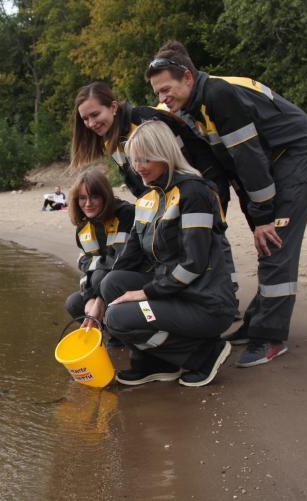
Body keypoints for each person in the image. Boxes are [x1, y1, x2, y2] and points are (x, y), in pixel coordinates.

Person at [146, 40, 307, 367]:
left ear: (187, 76)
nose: (162, 98)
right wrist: (246, 215)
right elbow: (231, 167)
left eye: (166, 89)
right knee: (266, 237)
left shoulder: (217, 96)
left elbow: (249, 159)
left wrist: (263, 218)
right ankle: (257, 320)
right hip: (270, 164)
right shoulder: (192, 106)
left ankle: (270, 337)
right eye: (157, 93)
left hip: (297, 156)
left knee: (274, 242)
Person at [97, 120, 237, 387]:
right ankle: (155, 362)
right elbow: (128, 259)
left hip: (205, 303)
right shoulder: (148, 200)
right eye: (134, 160)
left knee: (118, 318)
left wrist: (146, 293)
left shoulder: (194, 192)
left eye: (146, 159)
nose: (138, 168)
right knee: (110, 284)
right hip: (176, 296)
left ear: (165, 154)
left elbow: (194, 264)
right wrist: (96, 303)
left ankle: (202, 354)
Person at [71, 81, 244, 295]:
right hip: (167, 190)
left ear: (113, 107)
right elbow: (136, 178)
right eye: (85, 119)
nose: (91, 123)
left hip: (203, 180)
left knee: (210, 236)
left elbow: (178, 161)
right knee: (176, 241)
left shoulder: (143, 122)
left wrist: (196, 191)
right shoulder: (111, 140)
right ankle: (183, 288)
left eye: (95, 115)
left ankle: (227, 291)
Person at [64, 169, 135, 330]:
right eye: (82, 198)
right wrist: (89, 297)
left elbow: (120, 260)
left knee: (99, 277)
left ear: (105, 196)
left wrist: (99, 300)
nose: (88, 203)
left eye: (94, 196)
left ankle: (122, 330)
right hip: (104, 281)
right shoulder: (83, 229)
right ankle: (109, 335)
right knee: (74, 303)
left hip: (131, 277)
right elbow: (87, 271)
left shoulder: (125, 214)